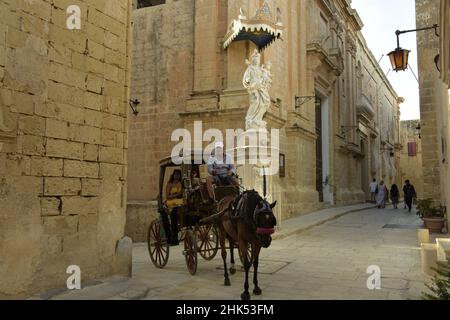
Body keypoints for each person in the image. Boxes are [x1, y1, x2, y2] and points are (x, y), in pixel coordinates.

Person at [163, 169, 183, 245]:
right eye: (175, 174)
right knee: (174, 211)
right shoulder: (170, 184)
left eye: (178, 174)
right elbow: (168, 196)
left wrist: (177, 195)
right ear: (173, 175)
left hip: (179, 201)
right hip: (171, 202)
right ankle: (173, 237)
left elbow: (181, 193)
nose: (177, 176)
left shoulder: (180, 183)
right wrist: (177, 195)